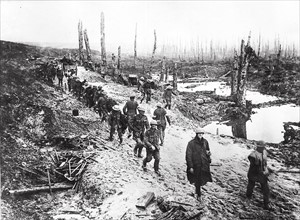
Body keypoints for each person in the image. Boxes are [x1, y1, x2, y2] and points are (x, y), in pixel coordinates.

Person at [186, 128, 212, 201]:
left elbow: (207, 150)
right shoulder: (191, 143)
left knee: (201, 179)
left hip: (204, 164)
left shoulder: (205, 142)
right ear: (196, 134)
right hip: (196, 164)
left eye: (201, 134)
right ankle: (198, 194)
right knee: (197, 179)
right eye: (199, 134)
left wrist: (208, 156)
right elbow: (188, 155)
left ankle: (198, 192)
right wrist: (190, 166)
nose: (200, 135)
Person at [246, 141, 272, 210]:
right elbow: (253, 166)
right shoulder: (253, 155)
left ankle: (266, 204)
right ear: (258, 147)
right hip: (253, 173)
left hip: (262, 174)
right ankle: (248, 197)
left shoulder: (264, 152)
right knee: (250, 186)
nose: (263, 148)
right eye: (261, 147)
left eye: (263, 147)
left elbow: (264, 163)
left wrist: (267, 170)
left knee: (266, 189)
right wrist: (260, 171)